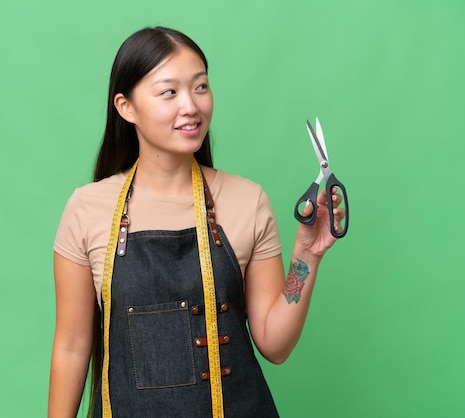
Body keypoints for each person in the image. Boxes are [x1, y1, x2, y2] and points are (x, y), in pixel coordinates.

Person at [48, 27, 345, 418]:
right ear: (126, 107)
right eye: (169, 92)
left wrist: (307, 255)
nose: (191, 106)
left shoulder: (247, 200)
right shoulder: (88, 208)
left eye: (200, 87)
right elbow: (71, 347)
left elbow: (275, 345)